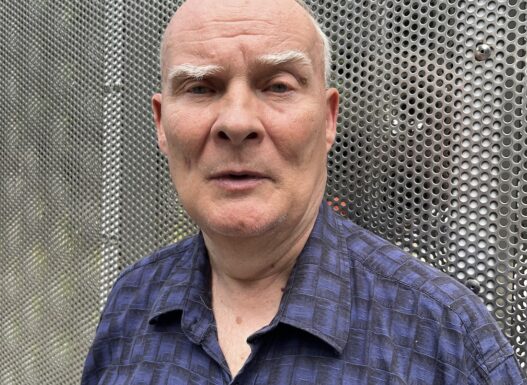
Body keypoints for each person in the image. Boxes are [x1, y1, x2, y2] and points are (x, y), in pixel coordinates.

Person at [81, 0, 526, 383]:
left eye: (277, 86)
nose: (237, 123)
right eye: (201, 87)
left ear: (329, 119)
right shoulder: (131, 303)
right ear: (161, 125)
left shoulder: (444, 337)